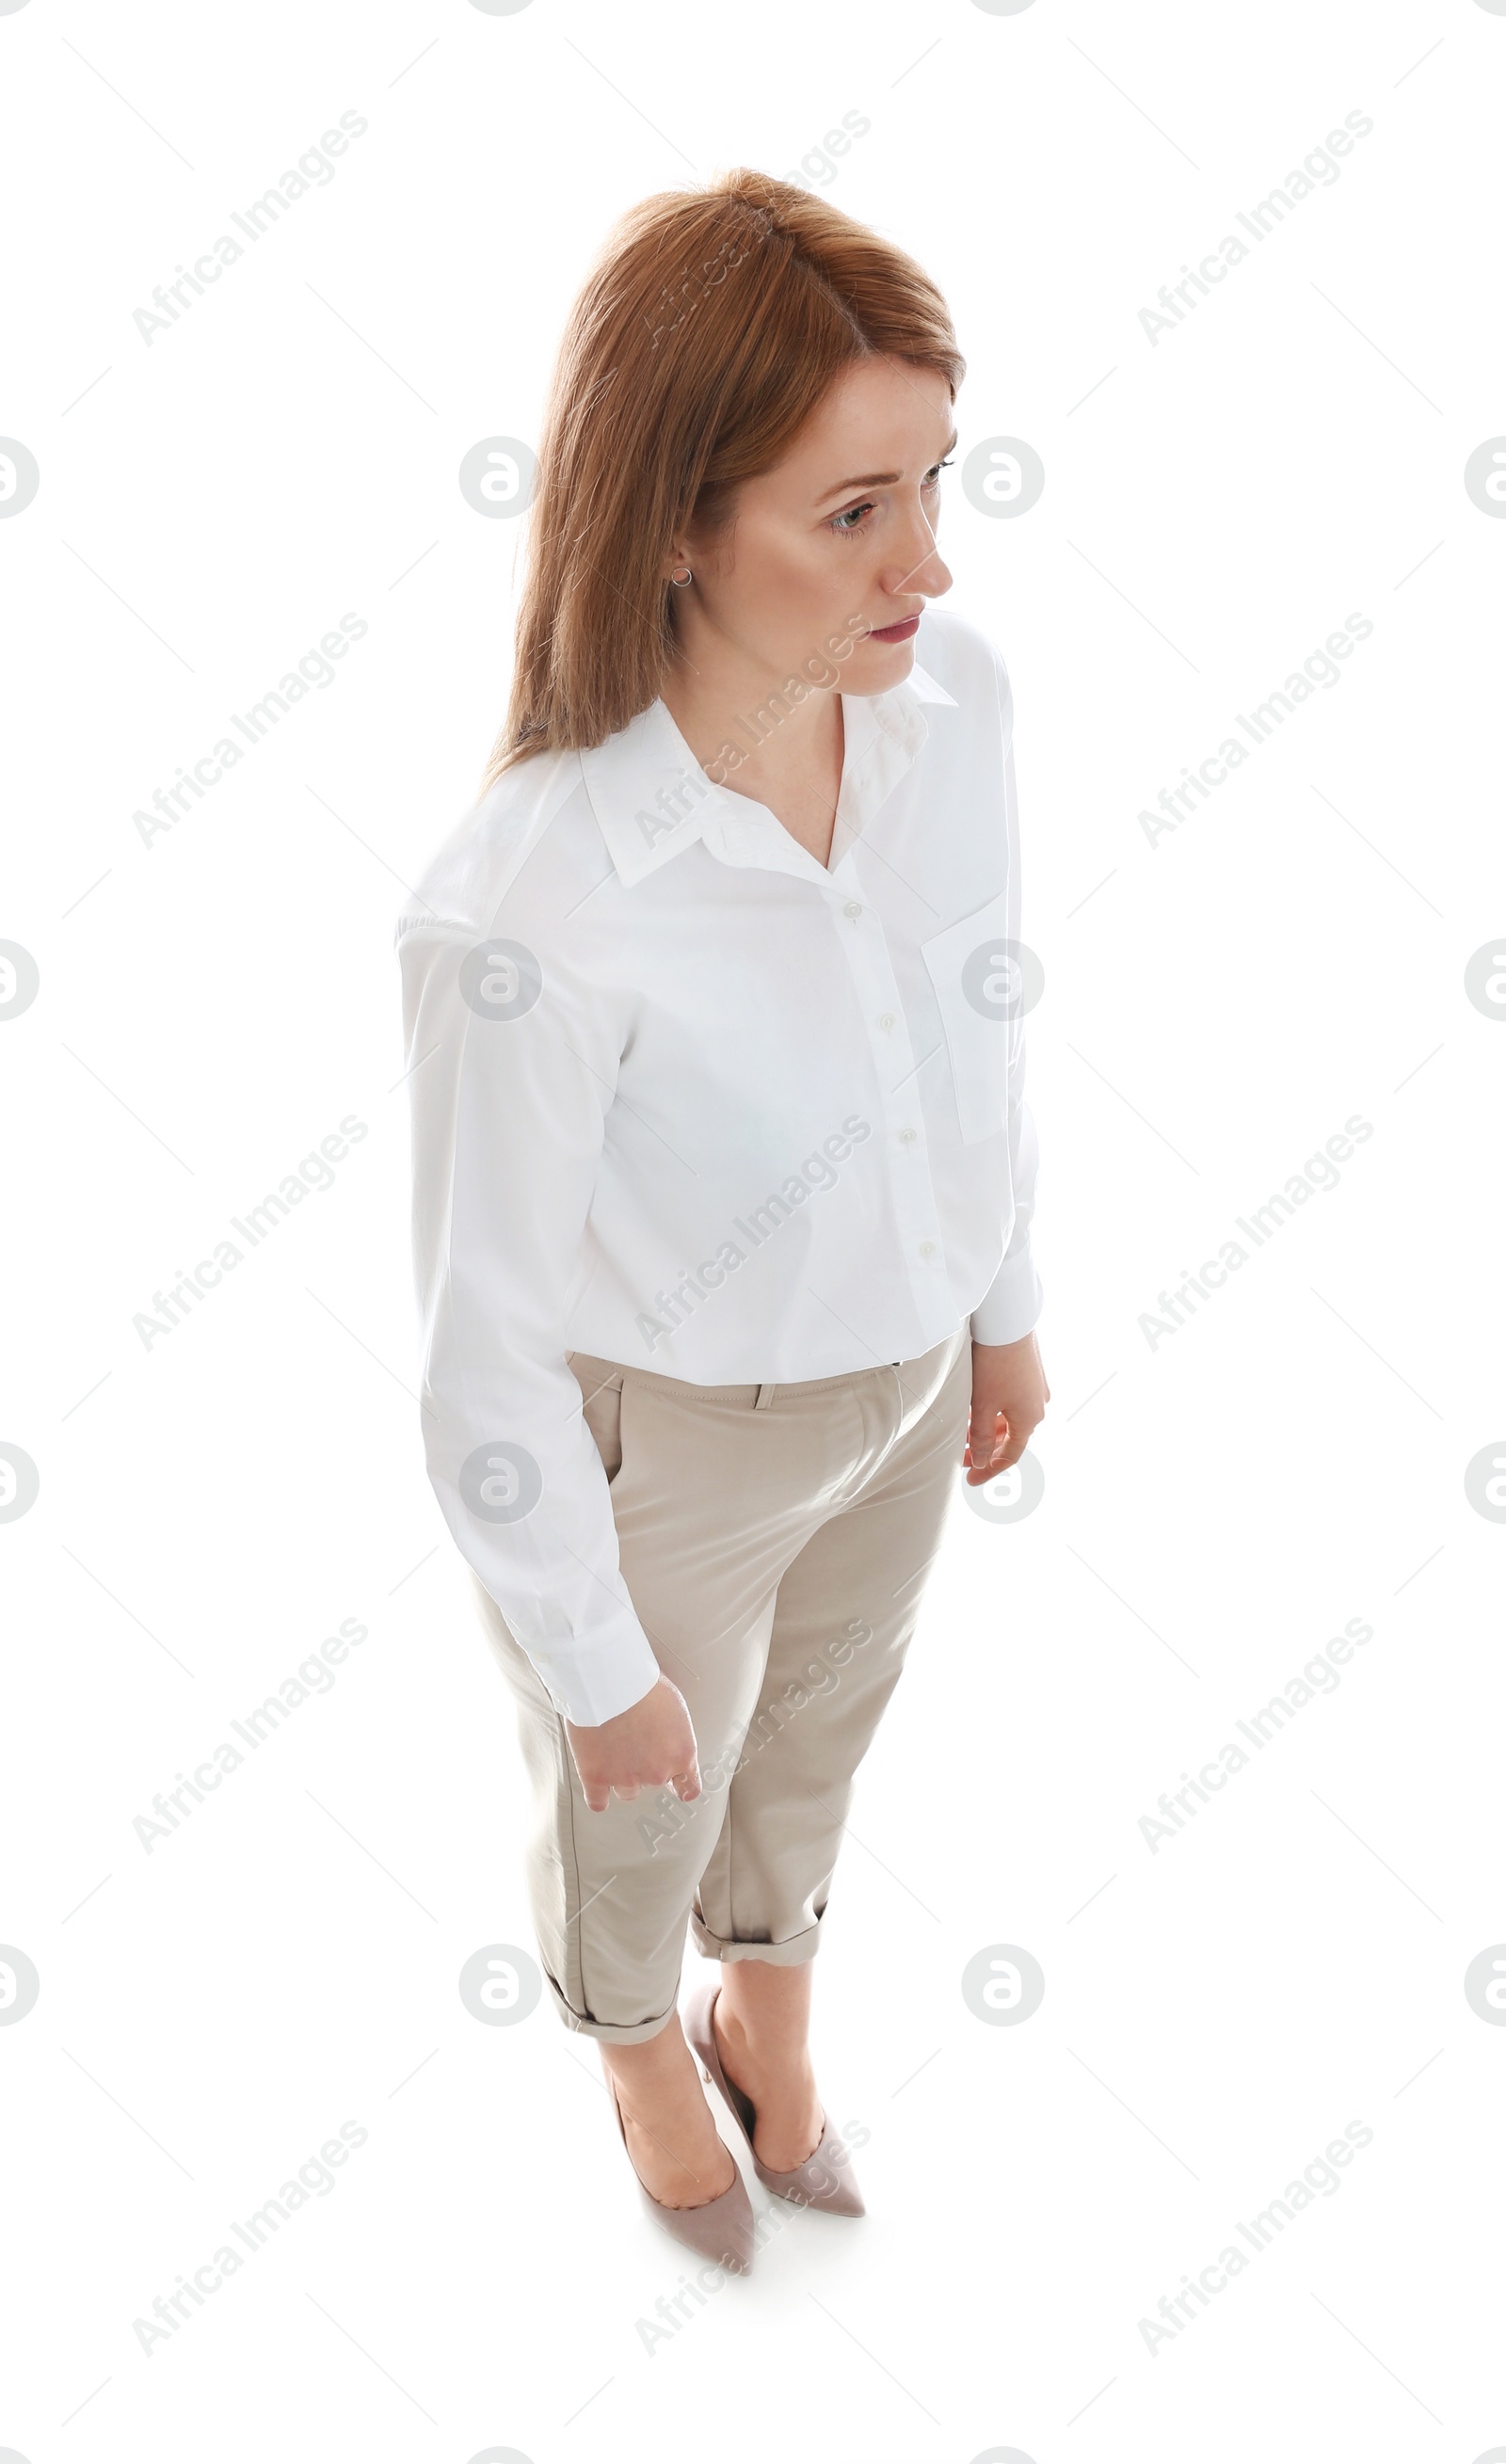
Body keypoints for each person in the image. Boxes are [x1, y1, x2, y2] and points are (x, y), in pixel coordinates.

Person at [395, 168, 1049, 2273]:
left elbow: (975, 1042)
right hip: (676, 1430)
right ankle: (633, 2046)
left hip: (901, 1379)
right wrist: (588, 1670)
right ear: (676, 517)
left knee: (820, 1728)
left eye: (930, 483)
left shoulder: (959, 721)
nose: (927, 563)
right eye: (851, 511)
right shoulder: (530, 905)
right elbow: (477, 1355)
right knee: (644, 1790)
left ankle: (768, 2019)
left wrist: (1001, 1310)